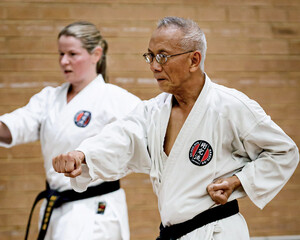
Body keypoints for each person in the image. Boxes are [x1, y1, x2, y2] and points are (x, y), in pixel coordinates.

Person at [52, 17, 299, 240]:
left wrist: (238, 181)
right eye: (150, 56)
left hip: (217, 233)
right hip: (173, 233)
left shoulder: (230, 106)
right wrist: (82, 155)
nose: (154, 66)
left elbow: (284, 152)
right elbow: (121, 137)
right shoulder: (153, 111)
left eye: (162, 56)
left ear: (194, 60)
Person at [0, 21, 141, 240]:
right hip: (56, 207)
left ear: (96, 54)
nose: (64, 61)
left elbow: (151, 137)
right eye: (61, 54)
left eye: (72, 54)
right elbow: (16, 125)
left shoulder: (115, 99)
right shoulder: (49, 99)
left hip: (94, 210)